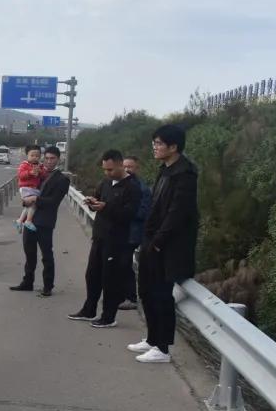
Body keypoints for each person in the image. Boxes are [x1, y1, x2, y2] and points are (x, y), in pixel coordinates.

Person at [129, 124, 199, 364]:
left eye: (159, 144)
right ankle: (151, 339)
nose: (155, 147)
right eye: (154, 143)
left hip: (168, 247)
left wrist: (158, 242)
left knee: (161, 295)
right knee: (146, 292)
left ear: (173, 146)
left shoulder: (185, 175)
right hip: (152, 242)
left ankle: (163, 348)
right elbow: (155, 207)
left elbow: (176, 214)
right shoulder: (165, 170)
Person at [67, 150, 142, 327]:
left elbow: (130, 214)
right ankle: (89, 309)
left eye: (110, 169)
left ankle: (109, 316)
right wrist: (92, 203)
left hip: (117, 240)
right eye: (105, 170)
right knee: (92, 275)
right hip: (99, 236)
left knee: (110, 279)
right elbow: (99, 202)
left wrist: (106, 207)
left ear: (119, 164)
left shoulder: (133, 187)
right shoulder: (105, 183)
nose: (107, 173)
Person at [10, 146, 69, 297]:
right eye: (47, 158)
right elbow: (25, 187)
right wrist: (26, 200)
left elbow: (54, 201)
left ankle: (48, 286)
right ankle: (27, 282)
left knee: (46, 255)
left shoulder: (62, 179)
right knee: (29, 254)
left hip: (45, 222)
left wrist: (35, 199)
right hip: (30, 219)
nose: (49, 162)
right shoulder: (38, 172)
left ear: (58, 159)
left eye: (52, 159)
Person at [118, 155, 152, 311]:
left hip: (132, 233)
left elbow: (142, 213)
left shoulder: (142, 188)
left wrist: (122, 211)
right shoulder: (119, 184)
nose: (126, 169)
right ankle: (120, 295)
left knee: (125, 263)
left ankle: (131, 298)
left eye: (130, 167)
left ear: (137, 168)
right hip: (119, 231)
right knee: (117, 263)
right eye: (124, 166)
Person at [14, 147, 46, 232]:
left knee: (28, 206)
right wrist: (30, 172)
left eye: (37, 156)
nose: (35, 157)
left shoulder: (40, 166)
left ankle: (20, 220)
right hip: (26, 188)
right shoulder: (24, 165)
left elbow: (44, 177)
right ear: (27, 155)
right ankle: (28, 221)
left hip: (33, 189)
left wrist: (40, 172)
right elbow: (20, 175)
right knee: (34, 203)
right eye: (32, 155)